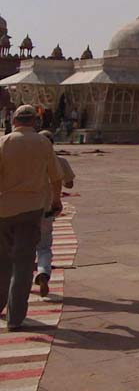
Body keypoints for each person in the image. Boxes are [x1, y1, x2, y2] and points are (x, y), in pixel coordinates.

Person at [0, 105, 61, 331]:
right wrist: (56, 201)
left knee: (3, 260)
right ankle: (15, 318)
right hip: (31, 209)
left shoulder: (4, 142)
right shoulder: (43, 143)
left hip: (4, 209)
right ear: (35, 122)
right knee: (24, 263)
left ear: (14, 121)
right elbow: (56, 177)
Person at [36, 131, 73, 297]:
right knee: (44, 246)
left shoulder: (30, 162)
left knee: (23, 245)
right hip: (48, 208)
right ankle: (43, 272)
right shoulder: (60, 161)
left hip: (27, 207)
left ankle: (20, 280)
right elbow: (69, 184)